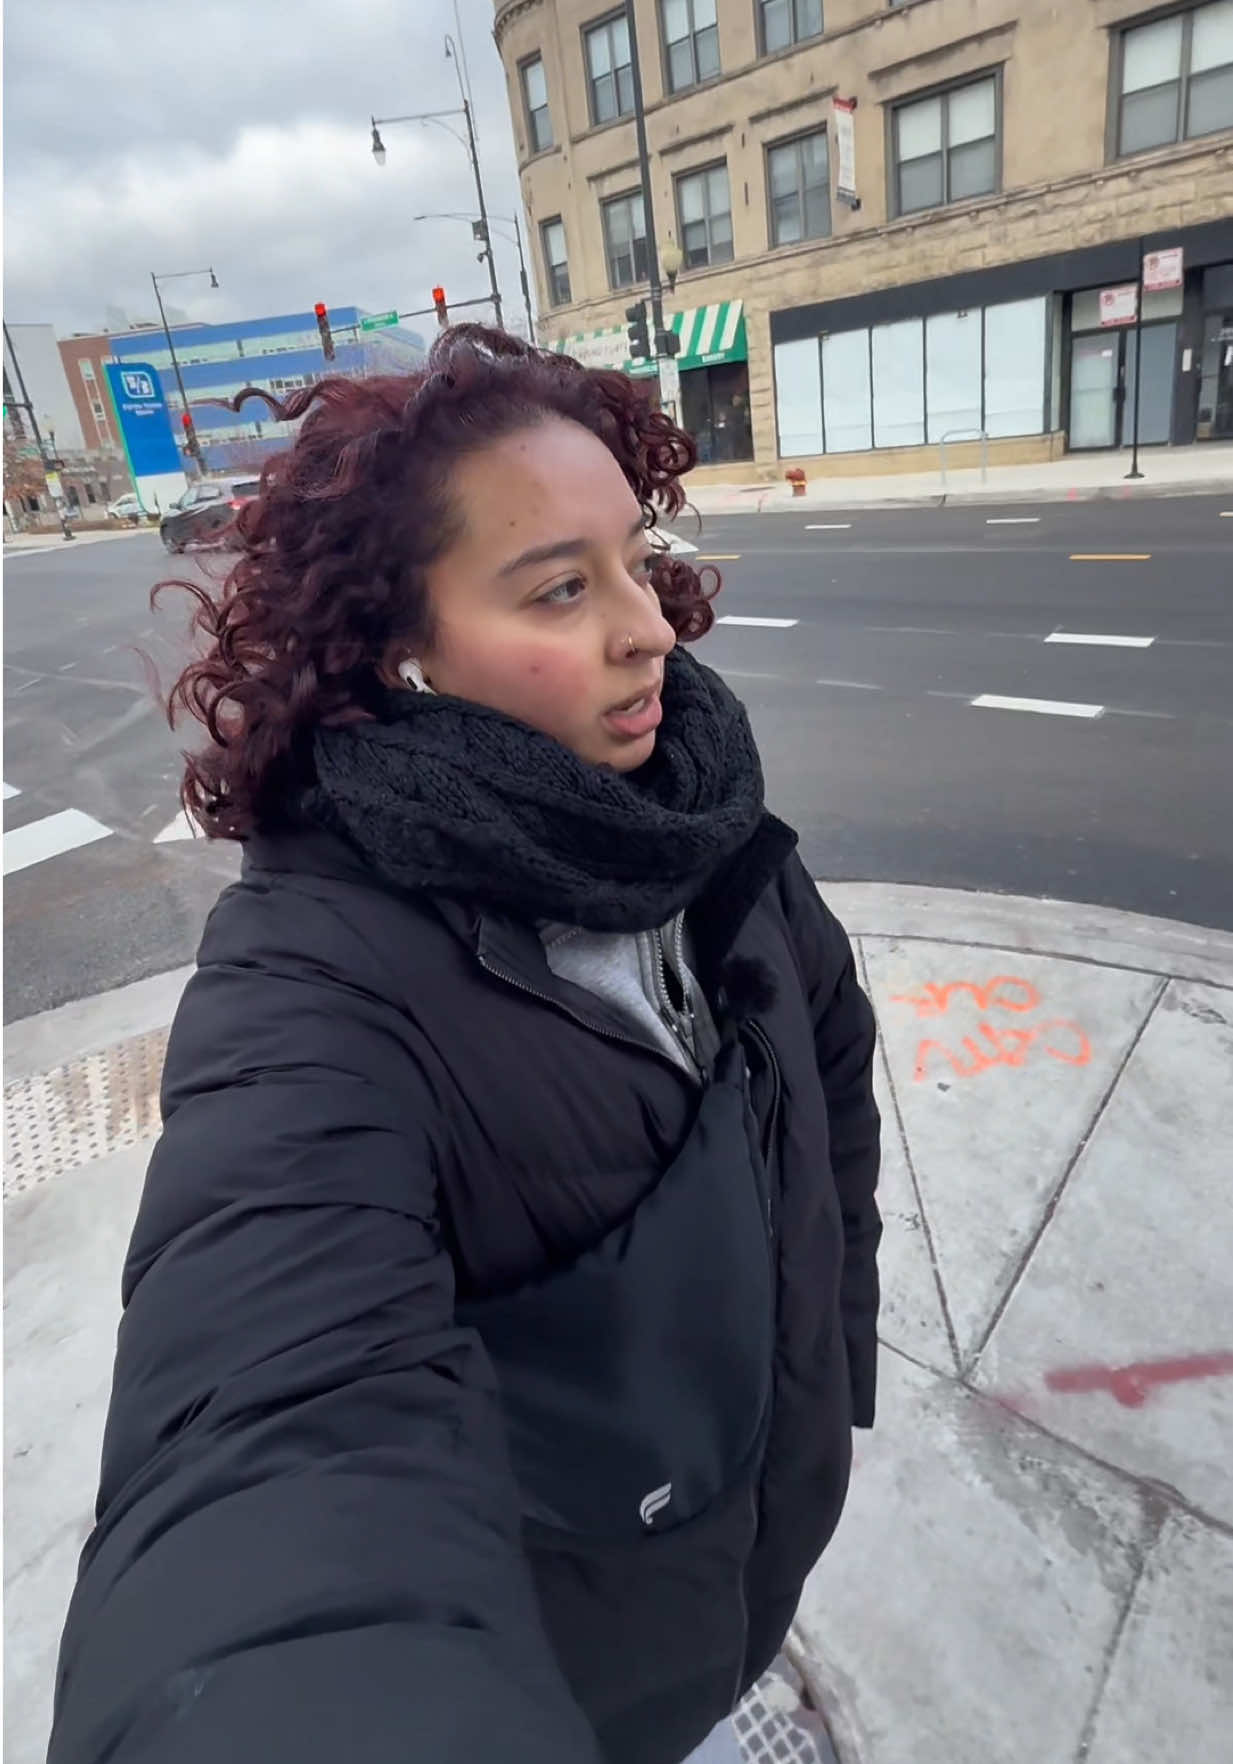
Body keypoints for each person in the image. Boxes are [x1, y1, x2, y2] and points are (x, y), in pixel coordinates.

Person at [48, 326, 881, 1764]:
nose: (650, 629)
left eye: (637, 560)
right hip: (576, 1679)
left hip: (748, 1564)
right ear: (400, 649)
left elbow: (832, 1092)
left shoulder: (702, 820)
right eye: (560, 588)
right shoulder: (312, 987)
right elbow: (267, 1435)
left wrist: (836, 1356)